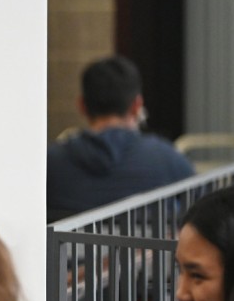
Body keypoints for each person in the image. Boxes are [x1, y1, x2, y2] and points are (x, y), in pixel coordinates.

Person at [46, 54, 194, 222]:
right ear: (137, 105)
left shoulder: (49, 163)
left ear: (82, 105)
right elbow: (199, 212)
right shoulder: (167, 158)